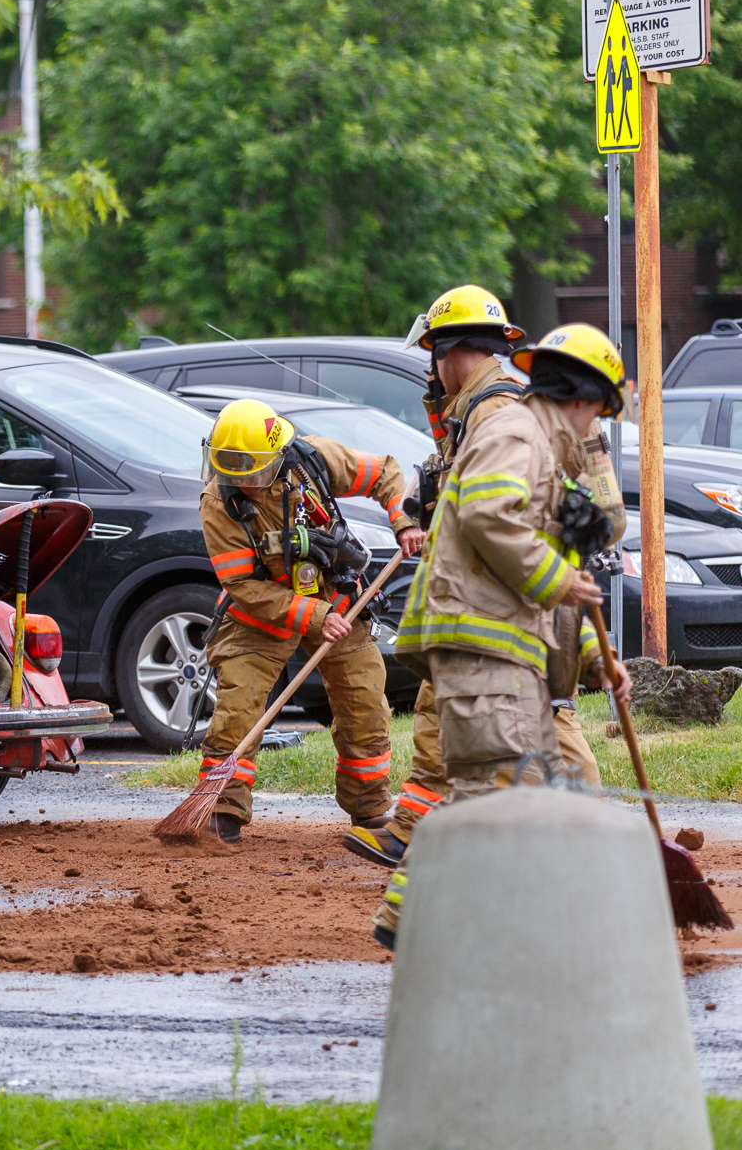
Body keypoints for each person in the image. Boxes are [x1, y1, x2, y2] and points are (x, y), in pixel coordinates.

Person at [346, 288, 624, 868]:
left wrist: (579, 629)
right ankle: (427, 858)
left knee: (533, 750)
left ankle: (576, 861)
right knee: (480, 756)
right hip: (493, 615)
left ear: (448, 350)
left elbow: (502, 518)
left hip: (508, 618)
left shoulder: (499, 416)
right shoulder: (490, 412)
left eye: (433, 358)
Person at [194, 398, 425, 843]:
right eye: (231, 469)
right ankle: (222, 809)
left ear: (278, 456)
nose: (244, 482)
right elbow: (243, 585)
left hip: (337, 599)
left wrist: (404, 521)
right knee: (238, 706)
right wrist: (314, 616)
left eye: (253, 471)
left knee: (364, 703)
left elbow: (385, 471)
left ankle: (370, 809)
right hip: (259, 613)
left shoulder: (312, 461)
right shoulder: (217, 502)